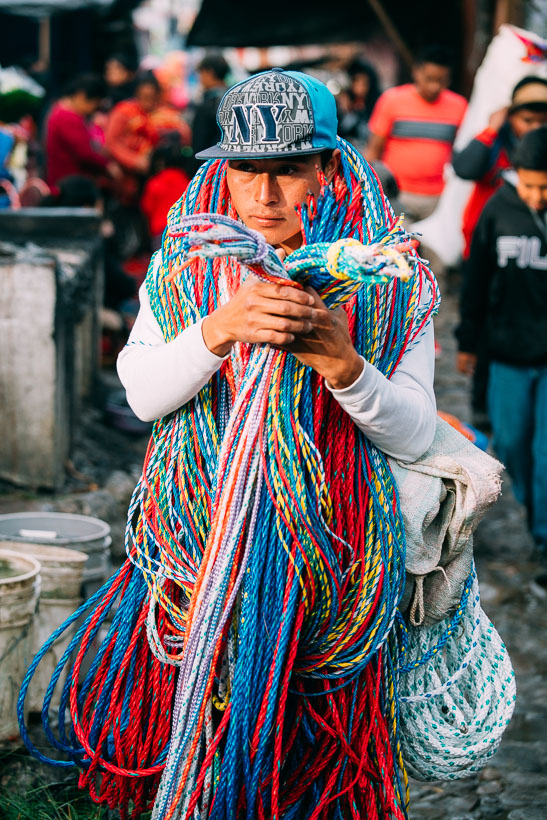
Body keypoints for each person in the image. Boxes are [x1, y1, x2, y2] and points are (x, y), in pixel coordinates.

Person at [113, 68, 438, 818]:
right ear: (222, 172)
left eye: (289, 170)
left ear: (330, 168)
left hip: (334, 555)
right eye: (246, 170)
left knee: (312, 754)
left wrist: (344, 365)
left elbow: (417, 432)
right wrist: (218, 330)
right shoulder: (183, 270)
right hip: (196, 550)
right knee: (207, 720)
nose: (264, 197)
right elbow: (141, 392)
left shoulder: (386, 282)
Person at [456, 127, 547, 565]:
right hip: (507, 353)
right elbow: (476, 282)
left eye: (546, 186)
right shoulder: (498, 210)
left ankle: (545, 535)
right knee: (511, 445)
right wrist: (468, 342)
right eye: (531, 184)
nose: (538, 195)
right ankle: (536, 507)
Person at [366, 45, 467, 221]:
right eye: (429, 79)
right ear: (416, 72)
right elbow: (374, 149)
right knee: (396, 247)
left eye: (441, 81)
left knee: (433, 247)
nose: (435, 86)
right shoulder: (392, 101)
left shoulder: (459, 106)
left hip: (439, 198)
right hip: (397, 194)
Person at [105, 71, 190, 205]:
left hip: (159, 176)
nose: (148, 102)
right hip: (128, 177)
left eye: (151, 97)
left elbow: (184, 138)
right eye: (144, 97)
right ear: (136, 94)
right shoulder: (123, 112)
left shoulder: (168, 113)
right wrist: (134, 161)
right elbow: (112, 142)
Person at [44, 74, 116, 188]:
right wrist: (108, 166)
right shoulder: (67, 117)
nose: (92, 110)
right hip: (70, 184)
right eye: (94, 104)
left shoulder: (59, 109)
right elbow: (85, 153)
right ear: (81, 96)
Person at [141, 134, 191, 248]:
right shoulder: (186, 181)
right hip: (184, 229)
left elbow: (146, 208)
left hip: (160, 232)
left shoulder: (155, 182)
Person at [191, 52, 230, 161]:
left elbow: (199, 145)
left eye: (201, 73)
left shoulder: (208, 106)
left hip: (211, 165)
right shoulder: (234, 98)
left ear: (209, 72)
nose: (200, 78)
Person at [337, 57, 380, 151]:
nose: (361, 87)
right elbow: (341, 131)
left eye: (364, 83)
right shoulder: (344, 101)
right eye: (357, 81)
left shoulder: (375, 103)